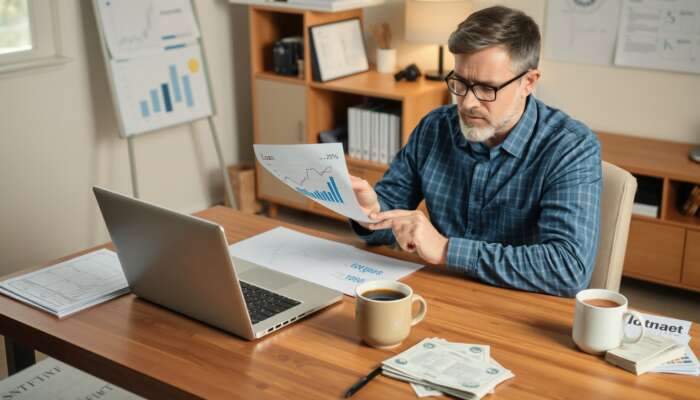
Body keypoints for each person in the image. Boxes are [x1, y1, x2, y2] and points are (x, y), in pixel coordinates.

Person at [349, 6, 601, 298]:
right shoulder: (434, 128)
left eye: (485, 88)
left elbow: (567, 269)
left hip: (518, 309)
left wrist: (446, 250)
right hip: (439, 296)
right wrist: (367, 213)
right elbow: (385, 225)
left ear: (528, 82)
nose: (467, 103)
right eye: (460, 84)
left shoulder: (570, 148)